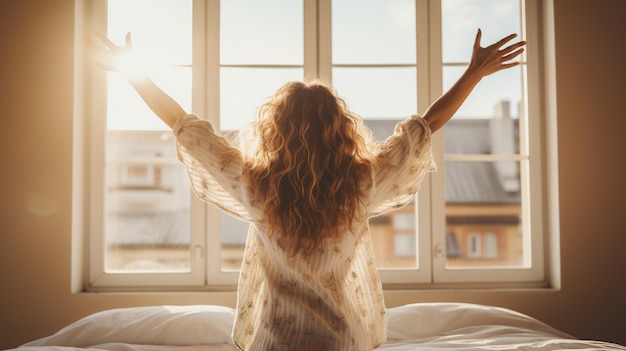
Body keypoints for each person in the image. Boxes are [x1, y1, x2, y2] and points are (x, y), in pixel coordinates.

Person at [95, 28, 525, 351]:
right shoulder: (360, 182)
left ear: (273, 130)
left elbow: (183, 124)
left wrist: (134, 75)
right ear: (340, 129)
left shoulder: (256, 185)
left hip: (273, 340)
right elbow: (423, 128)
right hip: (341, 338)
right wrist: (473, 73)